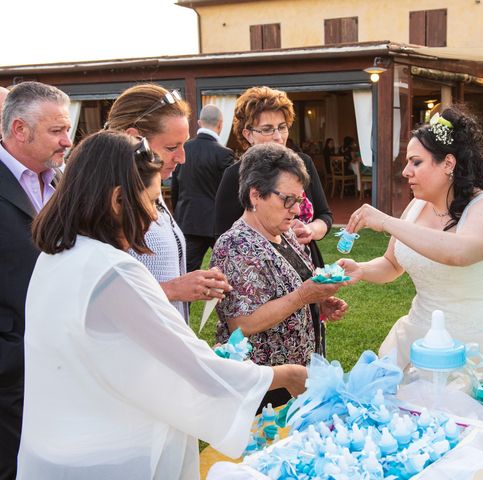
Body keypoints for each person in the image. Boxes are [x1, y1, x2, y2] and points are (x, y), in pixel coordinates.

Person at [18, 131, 307, 479]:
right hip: (108, 459)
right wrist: (285, 375)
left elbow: (121, 353)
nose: (155, 217)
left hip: (58, 447)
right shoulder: (114, 273)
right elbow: (193, 367)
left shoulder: (58, 257)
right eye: (154, 202)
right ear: (118, 200)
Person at [338, 106, 483, 370]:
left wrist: (386, 222)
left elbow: (458, 253)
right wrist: (360, 269)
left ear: (449, 164)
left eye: (416, 162)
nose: (406, 171)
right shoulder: (417, 207)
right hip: (418, 338)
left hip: (479, 348)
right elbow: (392, 264)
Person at [212, 143, 347, 409]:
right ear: (255, 195)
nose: (296, 210)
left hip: (297, 378)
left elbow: (287, 290)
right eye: (287, 200)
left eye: (299, 200)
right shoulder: (236, 245)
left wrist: (317, 304)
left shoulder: (283, 233)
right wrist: (303, 296)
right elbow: (241, 323)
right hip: (265, 389)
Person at [214, 86, 334, 355]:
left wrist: (311, 230)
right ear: (247, 134)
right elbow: (229, 251)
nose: (278, 136)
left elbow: (324, 214)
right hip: (263, 356)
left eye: (282, 127)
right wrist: (302, 294)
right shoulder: (235, 182)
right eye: (267, 129)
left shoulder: (300, 166)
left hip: (297, 271)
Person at [106, 84, 229, 321]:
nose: (182, 158)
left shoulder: (150, 187)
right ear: (134, 139)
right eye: (171, 147)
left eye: (183, 144)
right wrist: (173, 289)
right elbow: (101, 295)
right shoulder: (111, 203)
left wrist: (193, 282)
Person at [0, 81, 71, 480]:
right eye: (56, 131)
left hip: (60, 358)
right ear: (20, 130)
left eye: (67, 129)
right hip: (11, 365)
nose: (67, 141)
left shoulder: (60, 182)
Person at [172, 104, 235, 272]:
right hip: (216, 224)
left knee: (186, 272)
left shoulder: (184, 149)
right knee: (229, 271)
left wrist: (178, 212)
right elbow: (230, 192)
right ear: (221, 124)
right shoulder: (224, 154)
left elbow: (175, 188)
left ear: (199, 122)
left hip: (188, 220)